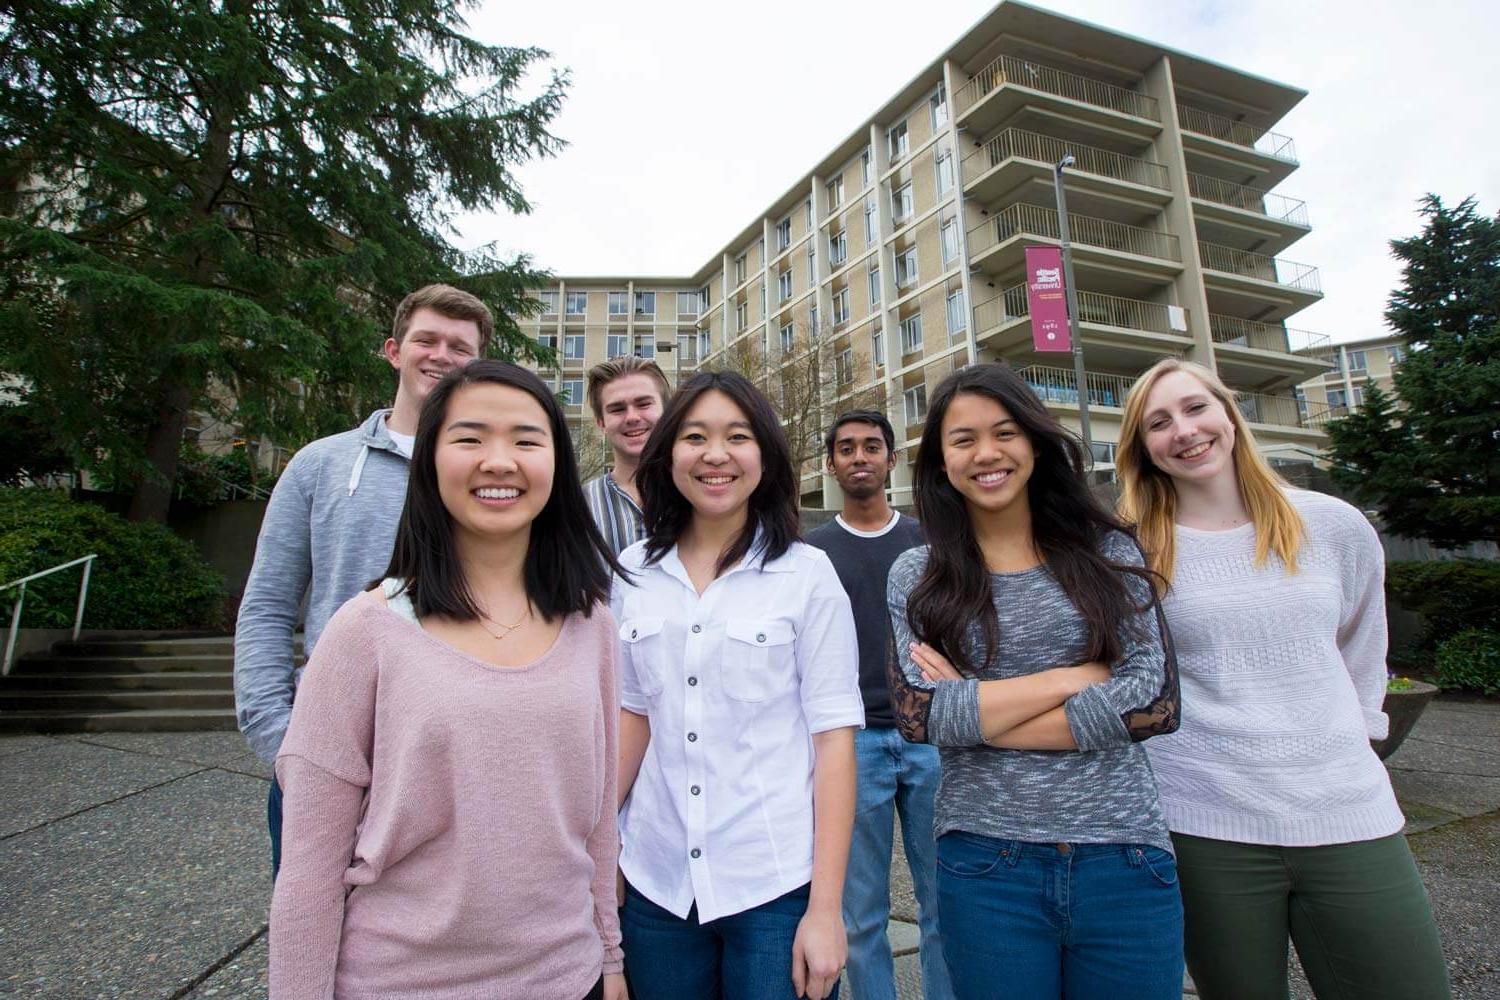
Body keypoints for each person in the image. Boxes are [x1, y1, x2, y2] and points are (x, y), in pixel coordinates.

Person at [269, 361, 628, 1000]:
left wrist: (609, 956)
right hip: (400, 982)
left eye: (526, 439)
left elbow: (597, 821)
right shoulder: (365, 631)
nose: (499, 461)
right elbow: (307, 872)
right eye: (469, 438)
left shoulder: (590, 622)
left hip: (567, 977)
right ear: (430, 463)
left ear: (557, 463)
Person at [1115, 358, 1449, 1000]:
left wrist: (1358, 740)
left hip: (1345, 808)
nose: (1183, 431)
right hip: (1206, 821)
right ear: (1143, 448)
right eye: (1158, 423)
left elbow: (1361, 648)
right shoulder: (1133, 550)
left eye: (1194, 408)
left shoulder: (1333, 526)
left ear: (1228, 413)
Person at [885, 363, 1182, 1000]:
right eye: (962, 440)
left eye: (1005, 432)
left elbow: (1153, 705)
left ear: (1036, 445)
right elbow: (923, 718)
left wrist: (976, 704)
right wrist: (1077, 675)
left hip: (1125, 854)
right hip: (986, 861)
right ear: (940, 462)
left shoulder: (1111, 551)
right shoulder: (919, 574)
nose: (986, 453)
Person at [611, 371, 862, 1000]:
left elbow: (833, 741)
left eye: (737, 437)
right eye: (695, 437)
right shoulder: (634, 572)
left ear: (765, 455)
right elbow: (632, 716)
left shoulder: (806, 574)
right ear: (669, 455)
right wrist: (598, 852)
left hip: (773, 884)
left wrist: (826, 909)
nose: (715, 455)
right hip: (656, 879)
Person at [234, 284, 491, 875]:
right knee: (316, 934)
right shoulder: (320, 464)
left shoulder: (493, 473)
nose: (441, 355)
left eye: (460, 346)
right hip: (332, 751)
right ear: (394, 350)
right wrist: (280, 742)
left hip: (458, 755)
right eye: (426, 339)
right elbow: (269, 606)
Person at [804, 410, 953, 1000]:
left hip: (929, 735)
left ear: (893, 459)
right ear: (831, 464)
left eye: (872, 447)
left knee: (943, 900)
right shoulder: (812, 551)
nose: (859, 456)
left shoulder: (928, 542)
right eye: (846, 448)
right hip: (853, 742)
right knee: (860, 910)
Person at [584, 355, 671, 555]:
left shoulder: (697, 495)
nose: (632, 417)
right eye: (617, 409)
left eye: (643, 404)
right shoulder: (579, 507)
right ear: (601, 422)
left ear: (667, 411)